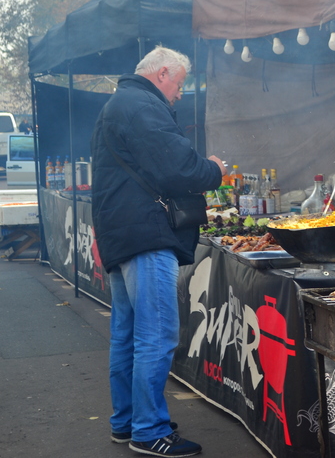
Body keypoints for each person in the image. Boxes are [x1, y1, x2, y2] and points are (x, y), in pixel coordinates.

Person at [91, 46, 225, 457]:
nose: (180, 93)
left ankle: (127, 422)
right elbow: (179, 168)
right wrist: (215, 169)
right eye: (180, 83)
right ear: (162, 73)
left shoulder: (120, 103)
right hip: (145, 235)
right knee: (156, 335)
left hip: (123, 233)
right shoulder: (142, 106)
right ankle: (149, 430)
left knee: (128, 335)